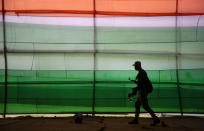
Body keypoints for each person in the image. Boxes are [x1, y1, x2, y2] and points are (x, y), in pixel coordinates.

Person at [128, 61, 160, 126]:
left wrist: (135, 90)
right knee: (137, 104)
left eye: (135, 66)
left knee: (145, 106)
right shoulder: (141, 73)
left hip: (143, 91)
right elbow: (142, 83)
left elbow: (142, 84)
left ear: (138, 66)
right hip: (143, 90)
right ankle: (136, 120)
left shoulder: (141, 73)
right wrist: (136, 83)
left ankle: (155, 119)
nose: (134, 67)